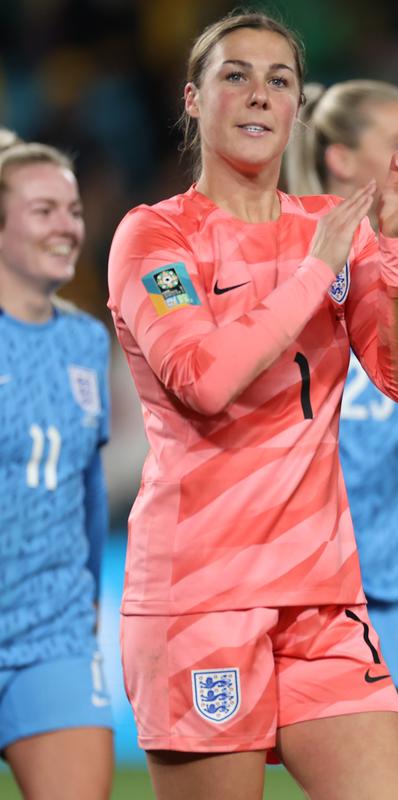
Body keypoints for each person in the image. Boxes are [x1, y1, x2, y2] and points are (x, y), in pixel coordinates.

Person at [106, 12, 398, 798]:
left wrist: (392, 247)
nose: (258, 95)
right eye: (235, 76)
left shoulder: (334, 228)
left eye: (278, 80)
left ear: (295, 108)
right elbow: (204, 380)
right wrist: (309, 277)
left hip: (321, 598)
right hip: (201, 597)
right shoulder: (154, 236)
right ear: (194, 99)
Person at [285, 78, 398, 704]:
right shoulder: (282, 252)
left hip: (389, 546)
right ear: (341, 158)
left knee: (374, 753)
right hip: (291, 545)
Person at [0, 141, 113, 799]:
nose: (67, 225)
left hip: (54, 631)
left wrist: (88, 599)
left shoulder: (84, 340)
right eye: (43, 209)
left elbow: (88, 488)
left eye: (72, 209)